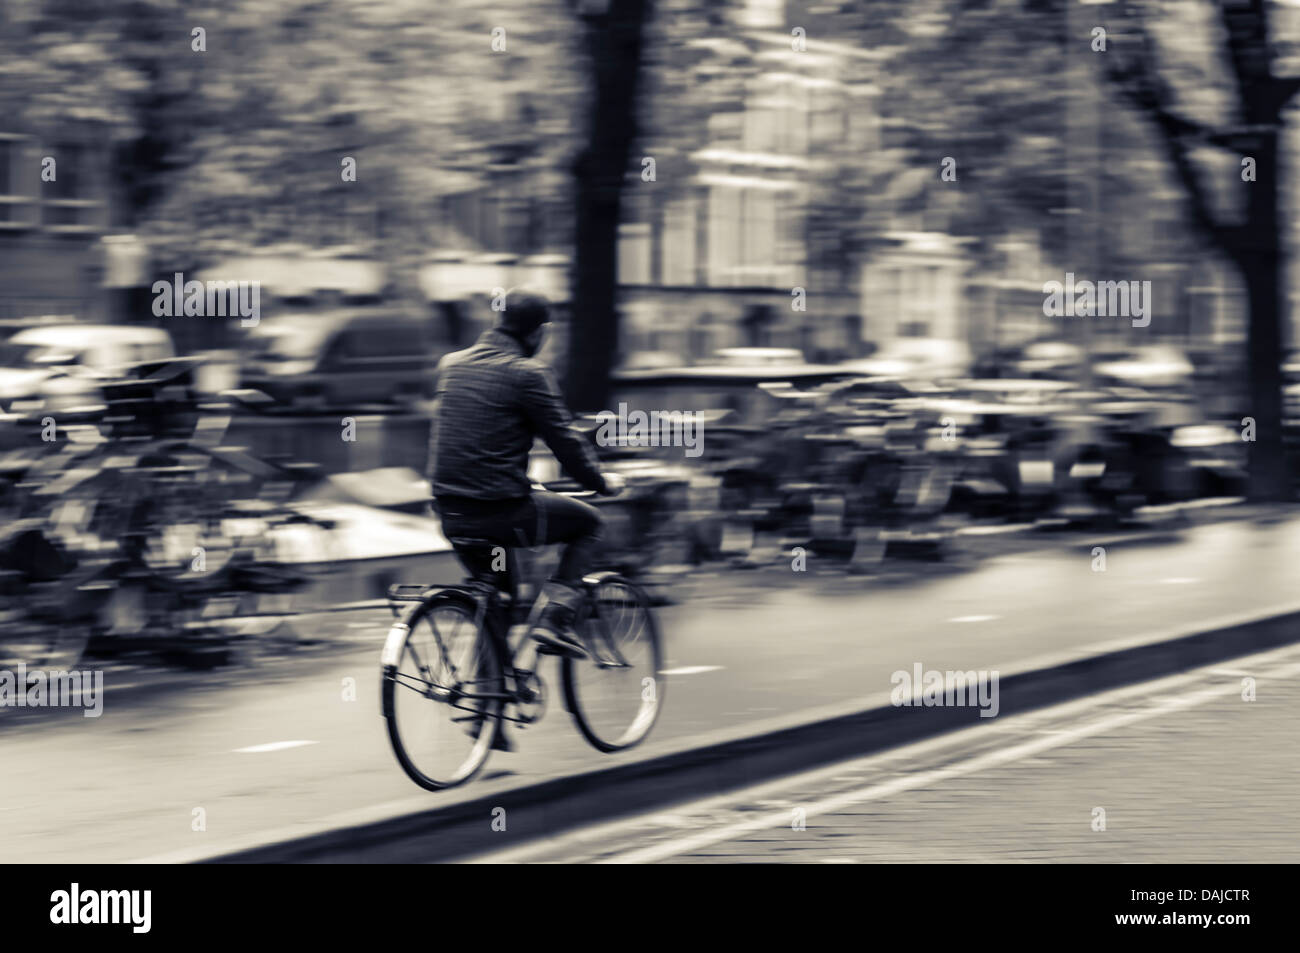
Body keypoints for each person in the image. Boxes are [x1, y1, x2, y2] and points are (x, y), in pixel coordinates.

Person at [428, 290, 624, 660]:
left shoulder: (450, 365)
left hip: (451, 514)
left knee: (497, 600)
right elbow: (564, 441)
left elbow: (474, 433)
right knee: (588, 523)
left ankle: (486, 703)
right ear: (540, 333)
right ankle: (556, 619)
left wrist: (517, 478)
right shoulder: (528, 374)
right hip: (501, 513)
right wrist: (602, 482)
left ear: (497, 323)